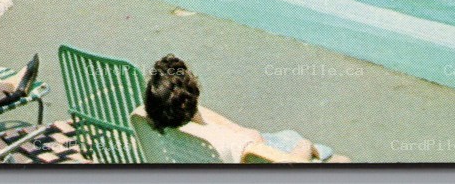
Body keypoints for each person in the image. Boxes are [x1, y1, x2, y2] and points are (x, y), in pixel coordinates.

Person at [137, 55, 346, 163]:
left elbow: (204, 115)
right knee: (340, 160)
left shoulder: (147, 118)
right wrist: (306, 145)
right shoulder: (237, 144)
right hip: (268, 156)